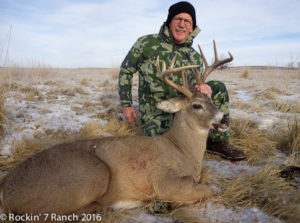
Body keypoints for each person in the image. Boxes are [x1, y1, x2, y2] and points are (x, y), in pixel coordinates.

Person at [118, 1, 246, 161]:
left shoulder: (194, 56)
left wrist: (204, 89)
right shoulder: (146, 44)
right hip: (158, 111)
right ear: (169, 22)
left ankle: (217, 142)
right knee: (161, 153)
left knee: (217, 87)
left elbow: (196, 91)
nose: (182, 24)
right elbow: (126, 71)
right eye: (178, 19)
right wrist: (127, 104)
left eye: (187, 21)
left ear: (192, 28)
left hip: (186, 109)